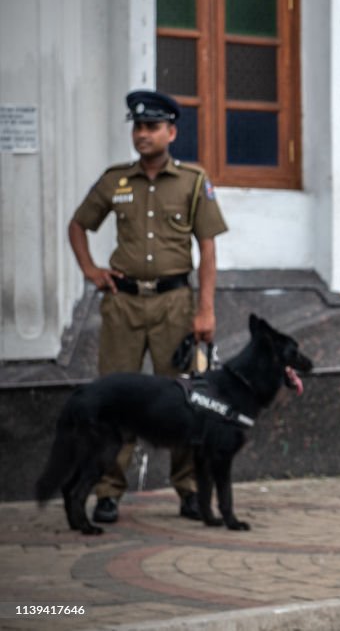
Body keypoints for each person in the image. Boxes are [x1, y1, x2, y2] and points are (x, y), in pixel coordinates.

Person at [68, 90, 228, 524]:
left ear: (171, 132)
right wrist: (91, 271)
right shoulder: (114, 181)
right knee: (114, 400)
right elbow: (79, 224)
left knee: (183, 400)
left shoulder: (194, 182)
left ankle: (189, 490)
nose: (143, 134)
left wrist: (206, 310)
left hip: (176, 304)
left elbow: (208, 250)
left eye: (152, 127)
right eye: (138, 127)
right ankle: (107, 492)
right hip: (122, 305)